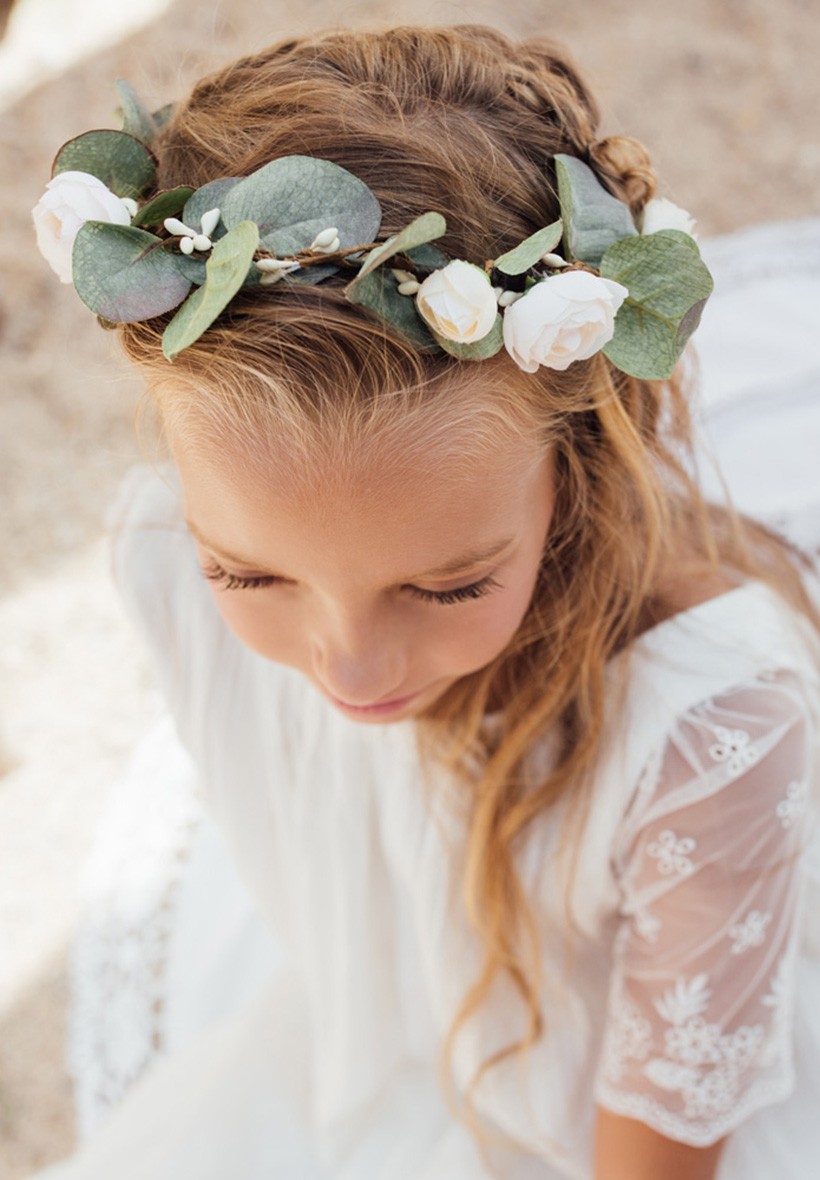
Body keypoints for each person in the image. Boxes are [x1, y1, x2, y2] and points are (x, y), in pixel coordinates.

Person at [28, 22, 820, 1180]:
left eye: (449, 583)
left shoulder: (710, 731)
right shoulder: (160, 549)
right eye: (248, 573)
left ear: (575, 470)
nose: (351, 671)